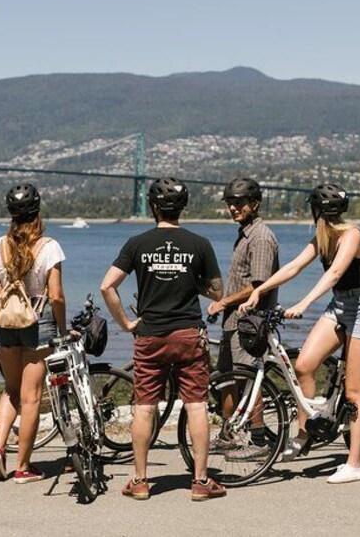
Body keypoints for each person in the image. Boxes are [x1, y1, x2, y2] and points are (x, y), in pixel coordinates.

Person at [239, 183, 360, 484]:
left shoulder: (352, 234)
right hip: (340, 306)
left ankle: (355, 464)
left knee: (354, 391)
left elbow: (333, 274)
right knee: (304, 365)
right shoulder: (322, 237)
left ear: (316, 210)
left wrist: (304, 303)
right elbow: (294, 266)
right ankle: (305, 434)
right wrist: (260, 290)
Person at [101, 177, 227, 501]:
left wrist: (126, 322)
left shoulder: (137, 243)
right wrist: (191, 279)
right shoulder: (199, 243)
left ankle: (140, 481)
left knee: (144, 407)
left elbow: (107, 286)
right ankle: (200, 482)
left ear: (153, 207)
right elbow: (216, 290)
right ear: (183, 207)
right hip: (188, 334)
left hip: (150, 335)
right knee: (197, 404)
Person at [0, 183, 67, 483]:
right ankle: (23, 466)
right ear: (37, 213)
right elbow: (56, 296)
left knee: (11, 389)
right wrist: (61, 328)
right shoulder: (49, 247)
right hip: (38, 326)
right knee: (31, 397)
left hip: (6, 324)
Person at [205, 177, 279, 461]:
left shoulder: (260, 238)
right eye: (230, 203)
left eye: (239, 203)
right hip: (232, 321)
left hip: (250, 322)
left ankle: (259, 440)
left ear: (255, 203)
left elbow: (259, 286)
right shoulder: (245, 233)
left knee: (249, 379)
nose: (234, 208)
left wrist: (224, 301)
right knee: (226, 380)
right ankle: (229, 435)